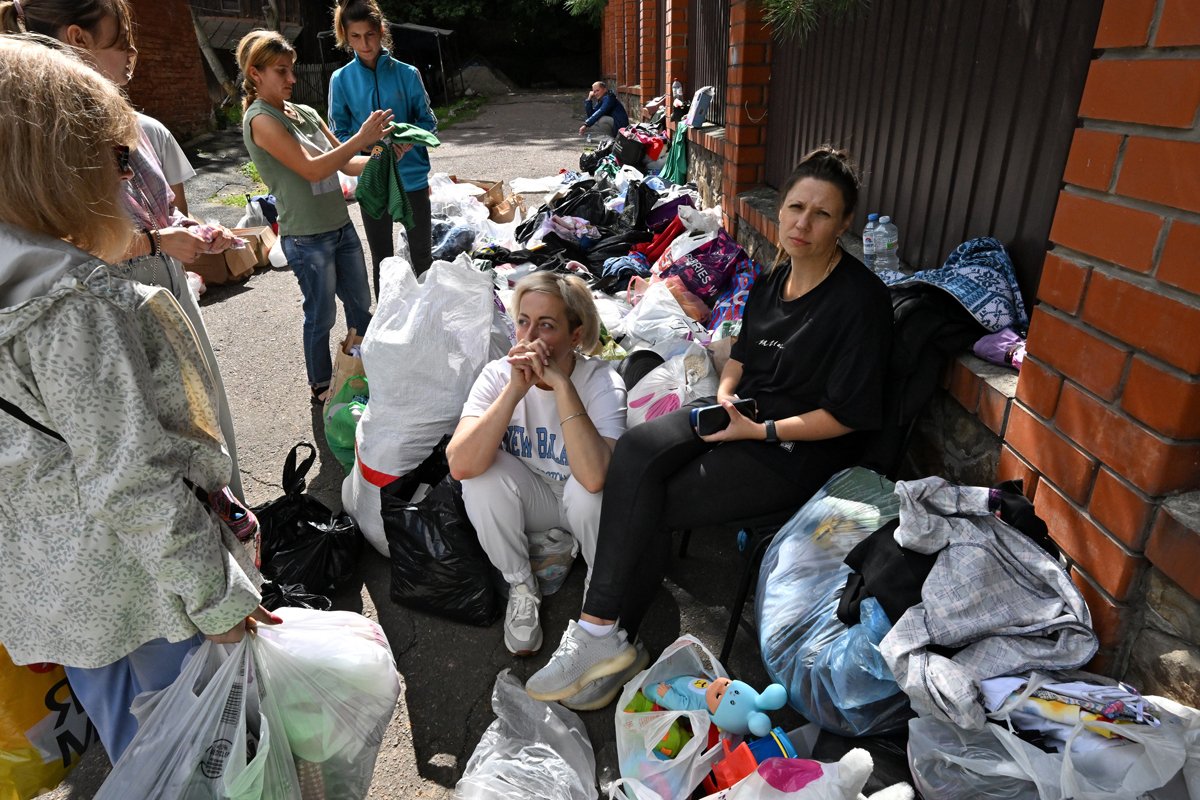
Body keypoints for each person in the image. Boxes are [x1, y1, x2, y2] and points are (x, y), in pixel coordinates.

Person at [525, 147, 893, 709]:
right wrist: (724, 396)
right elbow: (741, 357)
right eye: (795, 206)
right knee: (637, 451)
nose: (801, 222)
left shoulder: (861, 300)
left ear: (845, 223)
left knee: (655, 499)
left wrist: (759, 433)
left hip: (796, 449)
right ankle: (608, 636)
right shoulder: (776, 280)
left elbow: (845, 416)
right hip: (743, 415)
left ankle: (608, 635)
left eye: (821, 214)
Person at [0, 34, 276, 765]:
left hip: (61, 600)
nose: (131, 178)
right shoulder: (69, 301)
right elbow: (132, 477)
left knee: (144, 759)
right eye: (119, 158)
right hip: (148, 596)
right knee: (207, 760)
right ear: (60, 166)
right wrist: (218, 599)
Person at [1, 0, 252, 504]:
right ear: (78, 39)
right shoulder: (47, 147)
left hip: (163, 291)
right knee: (167, 458)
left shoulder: (134, 128)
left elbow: (156, 210)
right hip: (119, 310)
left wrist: (191, 232)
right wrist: (158, 241)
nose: (132, 60)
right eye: (124, 48)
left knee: (205, 432)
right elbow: (65, 246)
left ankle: (239, 536)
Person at [446, 275, 629, 665]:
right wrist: (515, 391)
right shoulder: (498, 375)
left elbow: (596, 475)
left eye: (547, 325)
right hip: (537, 499)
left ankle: (599, 593)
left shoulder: (601, 381)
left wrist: (562, 386)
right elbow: (460, 464)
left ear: (575, 335)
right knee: (480, 477)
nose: (529, 337)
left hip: (582, 500)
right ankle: (522, 586)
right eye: (523, 321)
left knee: (588, 488)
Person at [238, 29, 392, 403]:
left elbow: (345, 164)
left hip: (340, 228)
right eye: (281, 71)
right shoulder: (260, 120)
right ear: (255, 74)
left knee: (360, 307)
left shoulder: (304, 112)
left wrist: (380, 154)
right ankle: (322, 384)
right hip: (307, 238)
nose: (292, 79)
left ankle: (365, 368)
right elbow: (311, 169)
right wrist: (361, 138)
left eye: (292, 70)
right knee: (320, 316)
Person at [329, 0, 437, 292]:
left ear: (381, 31)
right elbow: (338, 135)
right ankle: (388, 328)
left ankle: (430, 324)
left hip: (412, 180)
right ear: (345, 36)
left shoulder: (408, 74)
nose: (364, 43)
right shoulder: (340, 80)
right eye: (355, 36)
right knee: (382, 261)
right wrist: (367, 144)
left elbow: (428, 123)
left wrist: (408, 141)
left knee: (422, 257)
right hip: (373, 181)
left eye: (370, 34)